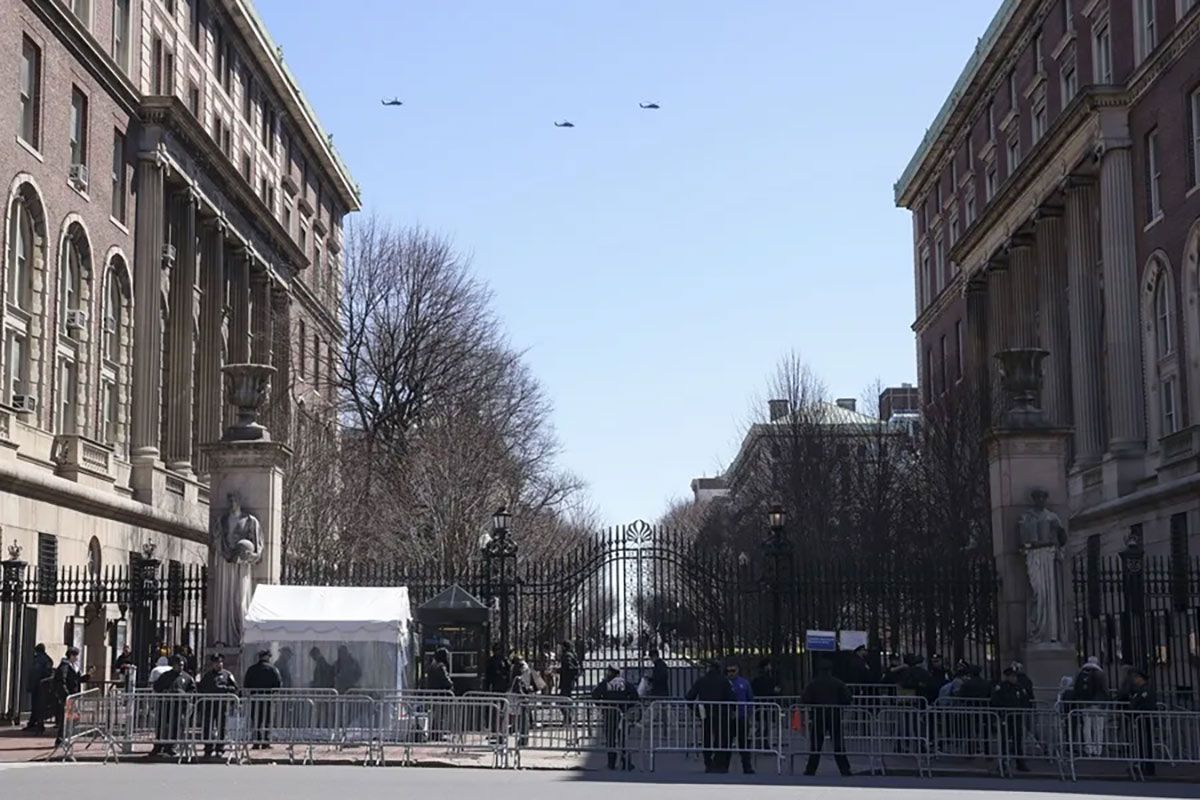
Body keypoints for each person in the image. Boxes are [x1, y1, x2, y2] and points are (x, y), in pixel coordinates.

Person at [800, 659, 853, 777]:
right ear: (830, 670)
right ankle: (845, 769)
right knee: (838, 743)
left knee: (816, 744)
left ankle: (811, 769)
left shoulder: (813, 683)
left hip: (819, 716)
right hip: (835, 715)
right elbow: (847, 698)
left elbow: (805, 699)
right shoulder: (838, 683)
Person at [686, 660, 735, 773]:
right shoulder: (724, 681)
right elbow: (732, 699)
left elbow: (689, 697)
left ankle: (708, 762)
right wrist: (731, 710)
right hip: (722, 713)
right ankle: (720, 763)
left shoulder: (701, 680)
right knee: (722, 738)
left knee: (706, 737)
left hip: (705, 713)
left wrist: (697, 710)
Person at [591, 666, 639, 770]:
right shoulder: (624, 683)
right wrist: (626, 706)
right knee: (622, 738)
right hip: (622, 714)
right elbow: (635, 696)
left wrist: (601, 706)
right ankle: (625, 761)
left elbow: (594, 695)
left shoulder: (606, 683)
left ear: (610, 672)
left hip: (609, 713)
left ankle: (611, 763)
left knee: (610, 739)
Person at [150, 655, 195, 758]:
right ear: (174, 665)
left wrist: (184, 696)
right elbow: (157, 687)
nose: (181, 667)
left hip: (179, 707)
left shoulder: (187, 677)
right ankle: (158, 747)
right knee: (162, 727)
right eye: (179, 665)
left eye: (182, 665)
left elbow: (192, 691)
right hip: (165, 706)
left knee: (176, 727)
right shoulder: (166, 676)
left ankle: (171, 748)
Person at [197, 653, 239, 759]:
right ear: (212, 664)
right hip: (209, 705)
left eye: (220, 662)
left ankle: (220, 748)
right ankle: (208, 748)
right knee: (208, 727)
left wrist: (223, 688)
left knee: (222, 727)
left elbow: (235, 688)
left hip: (222, 705)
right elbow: (201, 689)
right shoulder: (207, 676)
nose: (218, 664)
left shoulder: (227, 675)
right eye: (216, 663)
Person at [991, 666, 1032, 773]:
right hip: (1005, 717)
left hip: (1017, 717)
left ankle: (1020, 763)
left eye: (1015, 676)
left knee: (1018, 740)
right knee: (1004, 741)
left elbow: (1025, 700)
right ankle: (1003, 763)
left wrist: (1022, 709)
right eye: (1012, 676)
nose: (1014, 678)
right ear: (1007, 677)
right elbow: (995, 701)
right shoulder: (1001, 687)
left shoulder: (1019, 688)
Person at [50, 647, 91, 745]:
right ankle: (61, 739)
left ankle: (64, 737)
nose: (77, 658)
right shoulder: (65, 666)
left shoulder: (73, 666)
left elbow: (77, 680)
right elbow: (61, 681)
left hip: (72, 696)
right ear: (71, 656)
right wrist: (66, 694)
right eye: (76, 656)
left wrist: (87, 676)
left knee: (72, 718)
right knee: (68, 718)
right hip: (67, 697)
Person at [243, 650, 282, 749]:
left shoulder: (251, 669)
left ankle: (256, 741)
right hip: (268, 699)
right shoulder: (273, 669)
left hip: (254, 699)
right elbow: (278, 684)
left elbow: (246, 684)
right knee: (267, 720)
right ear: (267, 657)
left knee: (256, 720)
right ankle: (265, 742)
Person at [1073, 656, 1109, 757]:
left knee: (1086, 727)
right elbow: (1105, 690)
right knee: (1098, 727)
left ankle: (1088, 748)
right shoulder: (1100, 674)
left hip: (1085, 704)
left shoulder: (1081, 673)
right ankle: (1098, 749)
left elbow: (1076, 689)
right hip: (1098, 704)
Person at [726, 663, 756, 774]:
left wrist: (750, 714)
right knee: (726, 743)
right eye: (728, 671)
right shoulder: (725, 683)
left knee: (744, 743)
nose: (730, 673)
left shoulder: (744, 683)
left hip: (742, 717)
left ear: (737, 670)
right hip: (729, 718)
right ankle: (724, 766)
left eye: (733, 670)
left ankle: (747, 767)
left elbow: (750, 698)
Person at [1127, 669, 1157, 778]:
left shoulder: (1146, 690)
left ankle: (1147, 766)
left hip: (1144, 719)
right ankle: (1142, 764)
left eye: (1136, 678)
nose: (1135, 680)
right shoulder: (1140, 690)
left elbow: (1142, 703)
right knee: (1140, 742)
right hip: (1140, 719)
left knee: (1145, 743)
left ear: (1141, 679)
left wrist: (1134, 710)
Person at [24, 644, 53, 735]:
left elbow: (35, 674)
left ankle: (37, 725)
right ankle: (34, 724)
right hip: (40, 686)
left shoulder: (39, 660)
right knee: (38, 707)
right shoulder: (46, 660)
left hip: (39, 687)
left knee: (38, 707)